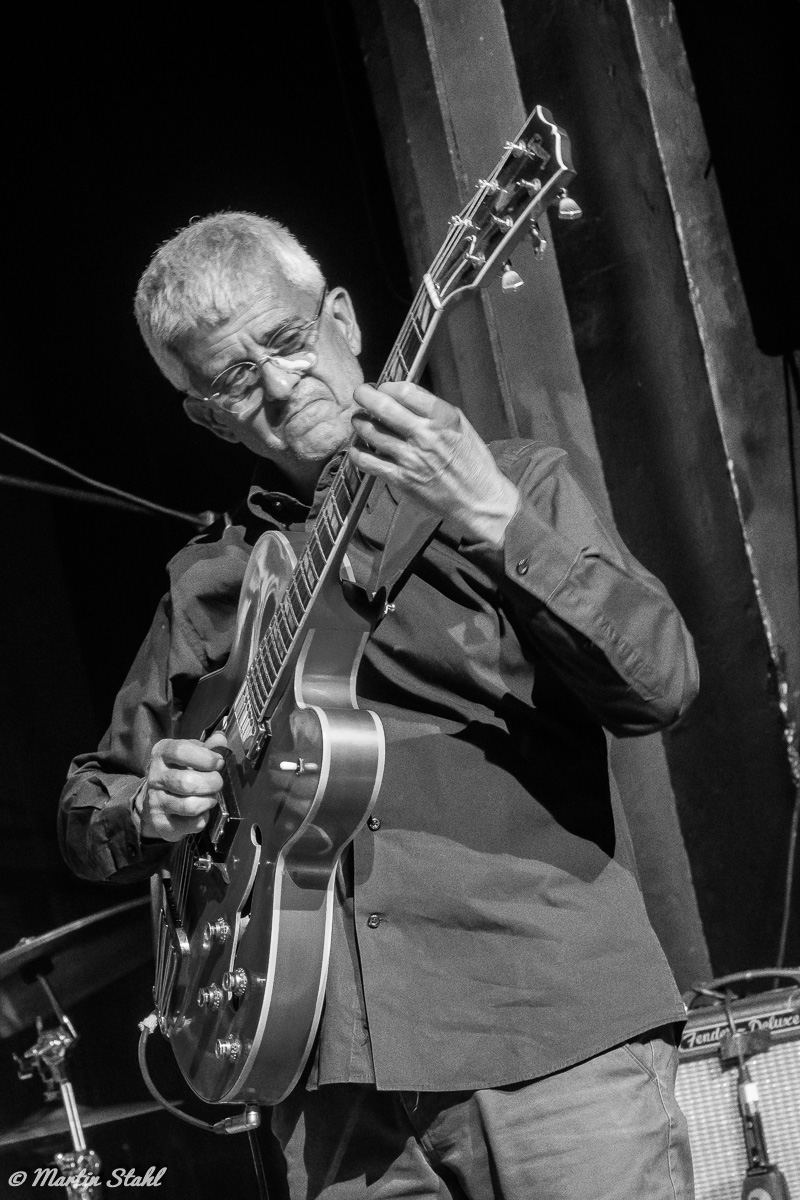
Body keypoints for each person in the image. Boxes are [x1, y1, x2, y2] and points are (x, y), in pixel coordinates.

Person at [59, 211, 698, 1199]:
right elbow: (90, 804)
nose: (281, 386)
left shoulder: (509, 482)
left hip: (544, 1033)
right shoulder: (210, 585)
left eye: (286, 340)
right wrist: (146, 807)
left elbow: (659, 682)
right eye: (235, 381)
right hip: (325, 1093)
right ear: (209, 418)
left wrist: (491, 516)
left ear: (344, 321)